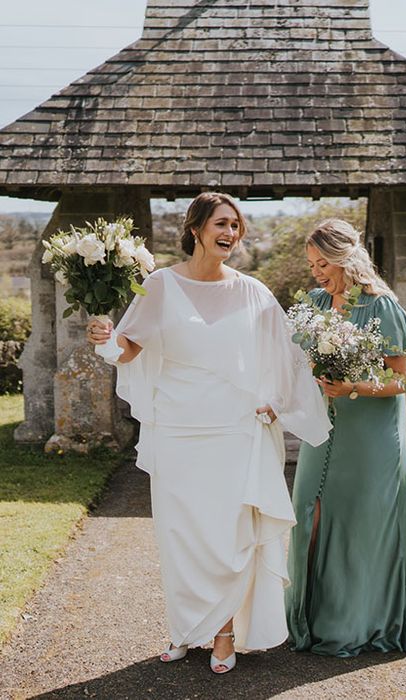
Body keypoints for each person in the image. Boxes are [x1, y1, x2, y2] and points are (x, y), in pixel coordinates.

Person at [87, 192, 330, 674]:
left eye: (237, 226)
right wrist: (104, 338)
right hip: (179, 428)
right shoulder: (156, 285)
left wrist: (277, 403)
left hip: (236, 431)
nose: (231, 233)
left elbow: (286, 358)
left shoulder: (254, 292)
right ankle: (185, 628)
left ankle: (222, 633)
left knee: (228, 534)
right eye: (222, 223)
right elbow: (130, 349)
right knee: (181, 534)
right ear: (196, 227)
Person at [285, 218, 406, 657]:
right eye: (311, 264)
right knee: (307, 511)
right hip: (323, 426)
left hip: (369, 435)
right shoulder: (313, 301)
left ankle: (360, 623)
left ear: (344, 258)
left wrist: (353, 387)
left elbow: (404, 381)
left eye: (321, 263)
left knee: (360, 523)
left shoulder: (381, 306)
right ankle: (309, 620)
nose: (315, 272)